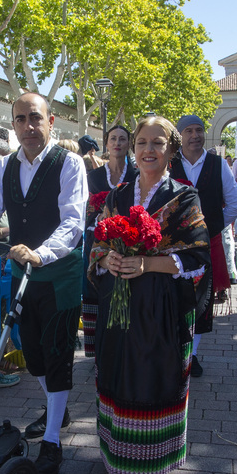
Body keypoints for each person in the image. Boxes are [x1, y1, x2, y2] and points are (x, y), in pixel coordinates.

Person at [0, 92, 87, 474]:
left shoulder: (69, 163)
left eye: (35, 118)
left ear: (50, 121)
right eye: (20, 119)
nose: (28, 126)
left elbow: (74, 222)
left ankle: (52, 441)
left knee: (57, 352)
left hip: (58, 272)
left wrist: (42, 253)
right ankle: (56, 410)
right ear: (13, 125)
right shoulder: (8, 165)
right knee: (30, 349)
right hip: (22, 273)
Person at [89, 115, 210, 474]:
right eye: (141, 141)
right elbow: (96, 247)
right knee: (119, 373)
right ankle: (118, 455)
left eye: (158, 143)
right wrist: (109, 257)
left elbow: (196, 258)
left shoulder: (184, 198)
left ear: (172, 151)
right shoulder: (117, 196)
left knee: (150, 377)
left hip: (161, 309)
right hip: (118, 305)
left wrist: (146, 265)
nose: (147, 149)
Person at [170, 114, 237, 376]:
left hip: (203, 246)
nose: (195, 136)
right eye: (188, 131)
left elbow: (236, 204)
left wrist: (209, 229)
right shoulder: (169, 163)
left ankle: (193, 355)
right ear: (179, 136)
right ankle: (172, 351)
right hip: (171, 247)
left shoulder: (217, 164)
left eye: (199, 130)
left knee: (201, 302)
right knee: (172, 299)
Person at [83, 125, 138, 355]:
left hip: (127, 241)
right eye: (113, 138)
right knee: (96, 289)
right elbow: (83, 209)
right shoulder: (93, 176)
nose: (117, 143)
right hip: (96, 240)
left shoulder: (136, 175)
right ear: (106, 143)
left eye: (122, 139)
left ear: (129, 144)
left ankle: (125, 343)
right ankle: (99, 347)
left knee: (125, 288)